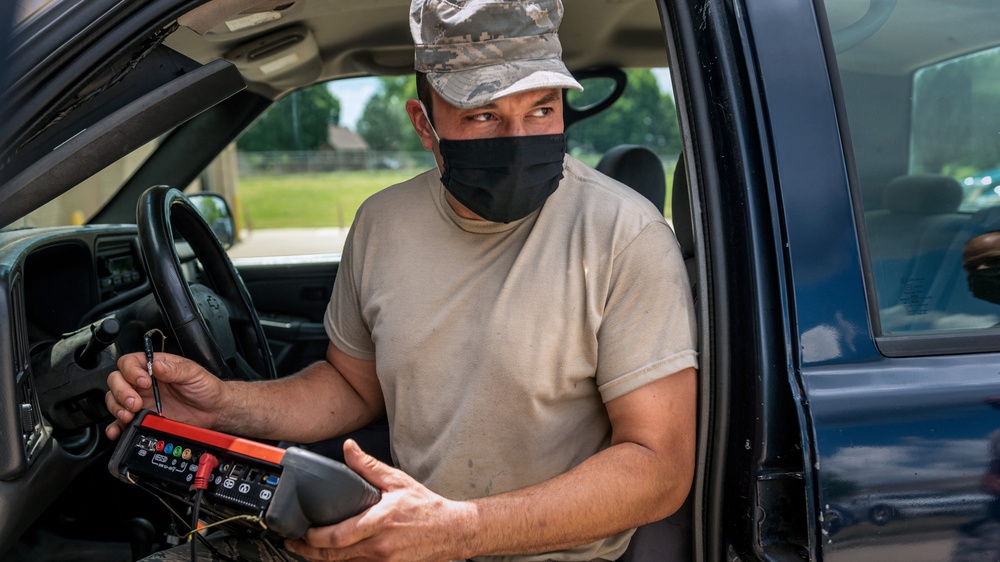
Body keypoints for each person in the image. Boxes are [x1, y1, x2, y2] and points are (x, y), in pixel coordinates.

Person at [105, 0, 698, 560]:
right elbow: (352, 388)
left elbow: (658, 466)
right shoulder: (382, 224)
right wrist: (222, 407)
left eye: (542, 108)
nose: (518, 140)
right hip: (396, 537)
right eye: (484, 114)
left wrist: (456, 531)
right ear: (424, 123)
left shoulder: (626, 236)